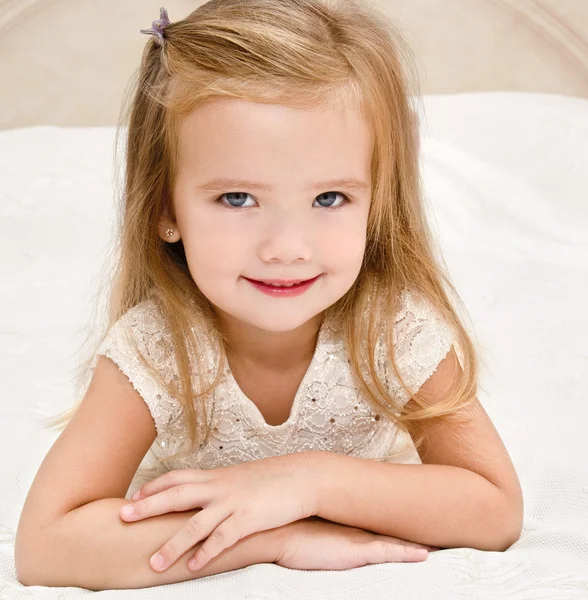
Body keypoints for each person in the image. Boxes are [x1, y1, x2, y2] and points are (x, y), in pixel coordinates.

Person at [15, 0, 523, 589]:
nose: (286, 247)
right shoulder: (158, 348)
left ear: (376, 202)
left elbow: (496, 509)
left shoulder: (393, 331)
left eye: (329, 198)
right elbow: (44, 546)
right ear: (164, 208)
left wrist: (308, 481)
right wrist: (277, 536)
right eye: (237, 199)